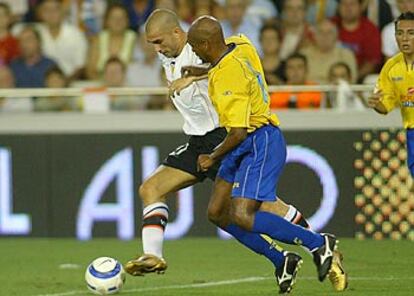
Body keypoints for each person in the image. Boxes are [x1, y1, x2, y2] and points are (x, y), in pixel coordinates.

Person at [124, 9, 347, 293]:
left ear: (178, 34)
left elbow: (227, 63)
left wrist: (193, 77)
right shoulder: (170, 53)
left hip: (227, 136)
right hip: (197, 141)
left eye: (158, 41)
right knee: (152, 189)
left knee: (261, 208)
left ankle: (322, 247)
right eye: (152, 43)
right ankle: (155, 256)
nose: (156, 48)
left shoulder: (202, 48)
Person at [186, 16, 344, 293]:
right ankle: (282, 260)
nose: (194, 53)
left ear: (206, 43)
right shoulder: (240, 44)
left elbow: (237, 133)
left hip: (258, 141)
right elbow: (226, 61)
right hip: (243, 143)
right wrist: (201, 71)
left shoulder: (227, 78)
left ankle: (318, 243)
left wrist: (211, 157)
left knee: (243, 215)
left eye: (195, 47)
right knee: (216, 212)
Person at [369, 12, 414, 178]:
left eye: (411, 33)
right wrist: (376, 104)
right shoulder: (391, 67)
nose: (405, 38)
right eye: (400, 33)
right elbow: (385, 105)